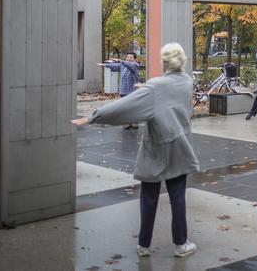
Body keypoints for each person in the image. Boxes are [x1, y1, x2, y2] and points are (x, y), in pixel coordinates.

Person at [73, 43, 199, 258]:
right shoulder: (188, 82)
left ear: (163, 62)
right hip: (180, 146)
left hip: (156, 148)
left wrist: (92, 117)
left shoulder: (155, 86)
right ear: (183, 60)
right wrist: (148, 91)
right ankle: (181, 244)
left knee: (149, 197)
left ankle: (144, 245)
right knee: (178, 197)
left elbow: (123, 108)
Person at [99, 52, 140, 129]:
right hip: (124, 89)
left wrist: (121, 61)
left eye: (131, 57)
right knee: (124, 107)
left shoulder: (135, 65)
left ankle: (134, 122)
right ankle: (126, 122)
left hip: (133, 90)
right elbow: (115, 66)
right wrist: (104, 65)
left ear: (134, 59)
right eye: (128, 57)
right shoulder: (123, 65)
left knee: (133, 107)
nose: (129, 59)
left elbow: (130, 66)